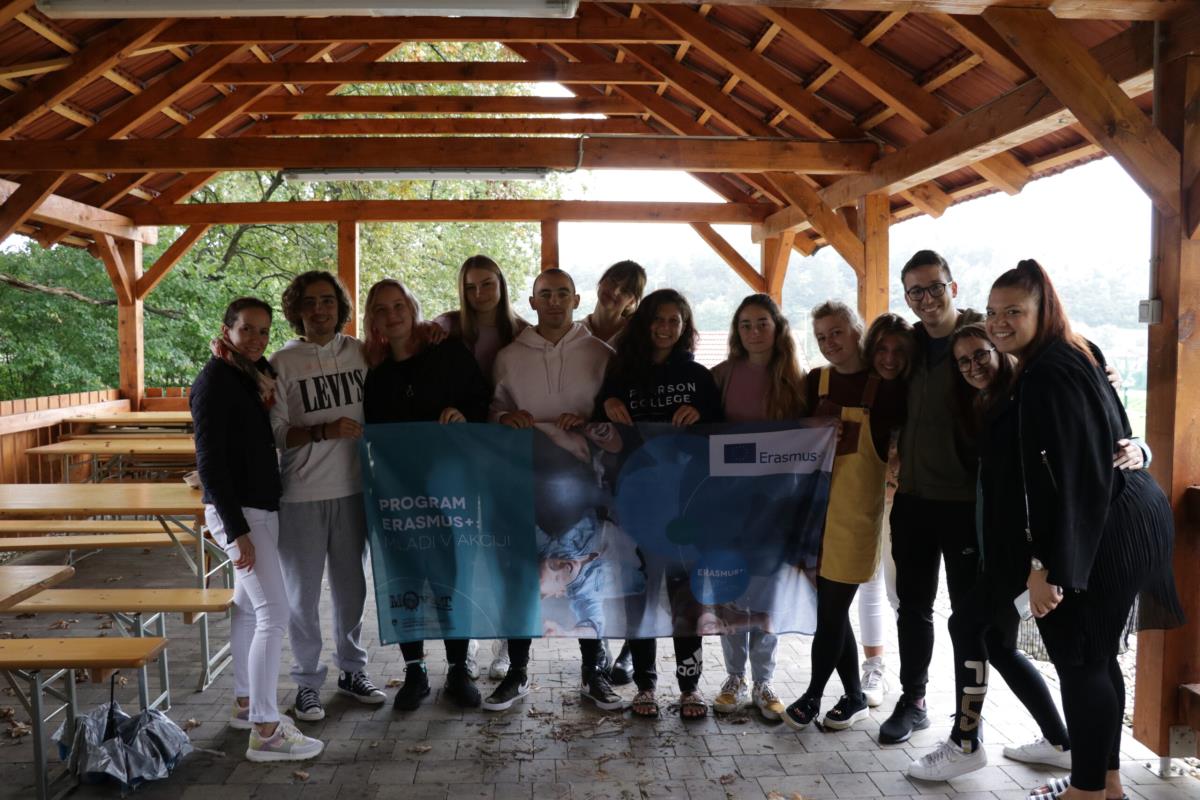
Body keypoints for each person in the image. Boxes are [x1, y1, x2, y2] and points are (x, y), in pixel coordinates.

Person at [978, 260, 1182, 800]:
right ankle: (1105, 783)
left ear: (1043, 310)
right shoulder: (1074, 352)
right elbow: (1115, 437)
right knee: (1096, 657)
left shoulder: (1049, 371)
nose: (999, 323)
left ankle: (1087, 791)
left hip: (1103, 525)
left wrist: (1048, 567)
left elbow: (1070, 477)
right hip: (1126, 512)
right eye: (992, 312)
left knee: (1079, 660)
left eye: (1014, 311)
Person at [191, 297, 324, 762]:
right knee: (274, 613)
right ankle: (266, 731)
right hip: (241, 514)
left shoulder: (253, 375)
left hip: (261, 506)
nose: (256, 339)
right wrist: (237, 531)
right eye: (247, 329)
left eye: (264, 331)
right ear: (227, 329)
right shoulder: (214, 382)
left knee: (248, 609)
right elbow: (210, 462)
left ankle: (246, 703)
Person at [489, 268, 619, 711]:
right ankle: (517, 673)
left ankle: (594, 675)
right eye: (545, 294)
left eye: (563, 293)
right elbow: (493, 411)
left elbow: (615, 418)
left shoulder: (601, 354)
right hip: (523, 485)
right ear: (532, 302)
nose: (555, 301)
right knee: (523, 581)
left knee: (586, 582)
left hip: (583, 488)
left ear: (576, 300)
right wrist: (506, 418)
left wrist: (587, 423)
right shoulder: (509, 356)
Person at [361, 278, 491, 711]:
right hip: (398, 493)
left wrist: (464, 414)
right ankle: (414, 671)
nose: (392, 315)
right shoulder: (376, 374)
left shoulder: (448, 354)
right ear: (373, 320)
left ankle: (458, 670)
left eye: (399, 305)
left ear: (413, 308)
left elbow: (482, 401)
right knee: (406, 579)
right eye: (382, 309)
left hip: (452, 490)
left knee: (450, 577)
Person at [595, 288, 722, 718]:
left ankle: (690, 687)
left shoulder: (700, 377)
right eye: (658, 319)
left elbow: (720, 434)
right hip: (635, 501)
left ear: (684, 327)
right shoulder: (621, 373)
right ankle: (645, 685)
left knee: (686, 596)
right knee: (639, 594)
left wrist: (701, 416)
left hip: (687, 503)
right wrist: (607, 403)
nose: (665, 328)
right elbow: (597, 428)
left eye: (674, 320)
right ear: (645, 322)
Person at [783, 301, 906, 732]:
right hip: (814, 517)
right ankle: (854, 696)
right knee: (832, 611)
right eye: (821, 336)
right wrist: (807, 427)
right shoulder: (815, 381)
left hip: (856, 520)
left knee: (831, 614)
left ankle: (813, 694)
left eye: (836, 332)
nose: (829, 343)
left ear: (857, 331)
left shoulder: (885, 388)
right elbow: (788, 435)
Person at [269, 271, 385, 723]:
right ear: (297, 310)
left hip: (354, 488)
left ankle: (352, 671)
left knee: (352, 589)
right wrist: (323, 430)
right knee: (302, 596)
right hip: (300, 493)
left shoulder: (361, 353)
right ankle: (306, 683)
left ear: (340, 308)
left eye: (327, 301)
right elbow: (277, 433)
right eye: (310, 302)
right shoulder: (281, 363)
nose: (319, 310)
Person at [881, 250, 983, 744]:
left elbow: (1047, 352)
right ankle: (913, 700)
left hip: (967, 502)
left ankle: (969, 719)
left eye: (935, 287)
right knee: (914, 606)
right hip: (914, 498)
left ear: (953, 288)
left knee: (968, 616)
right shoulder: (909, 345)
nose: (926, 299)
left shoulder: (981, 337)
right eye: (915, 291)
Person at [709, 294, 807, 721]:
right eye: (745, 324)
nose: (753, 331)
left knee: (767, 595)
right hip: (728, 505)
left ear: (777, 326)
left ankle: (764, 682)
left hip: (777, 504)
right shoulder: (721, 376)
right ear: (737, 331)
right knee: (731, 591)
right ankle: (733, 677)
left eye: (762, 323)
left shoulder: (797, 379)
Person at [433, 254, 530, 681]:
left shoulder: (522, 331)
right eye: (471, 286)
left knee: (502, 552)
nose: (479, 293)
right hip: (458, 451)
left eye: (487, 283)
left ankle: (505, 644)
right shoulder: (446, 326)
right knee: (461, 552)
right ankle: (465, 643)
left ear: (501, 284)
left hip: (505, 454)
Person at [855, 313, 911, 707]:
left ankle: (913, 681)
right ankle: (873, 668)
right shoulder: (861, 388)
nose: (889, 358)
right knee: (870, 584)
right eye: (882, 349)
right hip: (864, 498)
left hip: (910, 501)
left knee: (902, 592)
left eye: (898, 350)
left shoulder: (919, 388)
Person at [580, 259, 647, 346]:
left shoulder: (636, 336)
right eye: (613, 282)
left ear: (631, 302)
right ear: (601, 281)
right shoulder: (572, 331)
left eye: (625, 290)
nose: (615, 291)